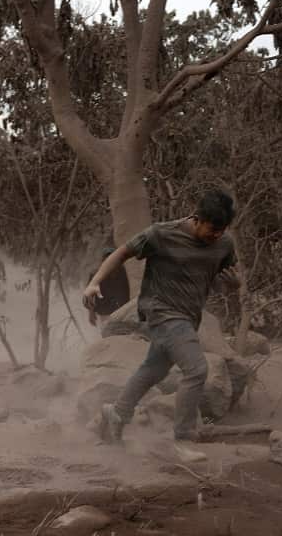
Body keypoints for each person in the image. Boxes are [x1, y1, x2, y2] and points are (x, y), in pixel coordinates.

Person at [82, 189, 240, 446]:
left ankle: (116, 413)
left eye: (222, 230)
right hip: (161, 311)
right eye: (212, 229)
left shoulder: (224, 244)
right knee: (197, 369)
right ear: (196, 218)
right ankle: (185, 438)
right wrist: (95, 282)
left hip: (188, 316)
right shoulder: (161, 234)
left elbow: (222, 282)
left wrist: (234, 285)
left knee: (153, 369)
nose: (217, 235)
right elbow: (122, 252)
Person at [85, 246, 130, 327]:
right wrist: (91, 313)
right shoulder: (95, 274)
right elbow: (89, 296)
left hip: (119, 308)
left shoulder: (121, 270)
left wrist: (126, 309)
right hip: (104, 309)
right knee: (108, 330)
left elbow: (126, 290)